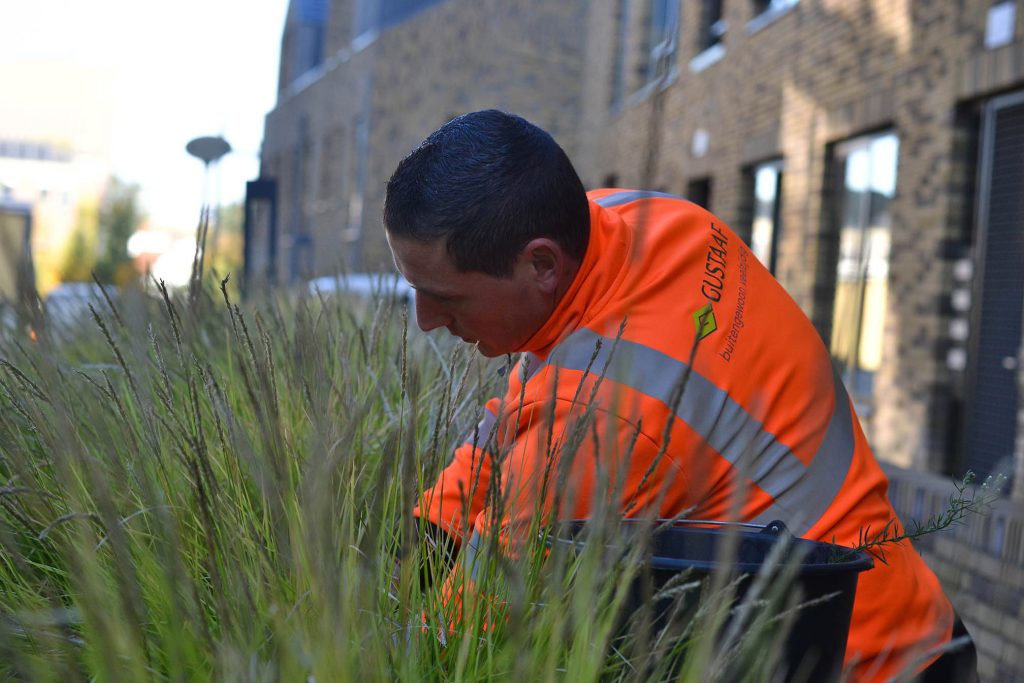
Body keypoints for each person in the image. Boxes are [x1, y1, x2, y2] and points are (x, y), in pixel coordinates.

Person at [383, 109, 972, 681]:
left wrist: (372, 615)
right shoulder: (642, 218)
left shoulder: (610, 415)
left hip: (849, 659)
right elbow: (514, 419)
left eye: (445, 297)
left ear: (541, 264)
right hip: (916, 623)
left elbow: (464, 634)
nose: (426, 319)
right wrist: (427, 530)